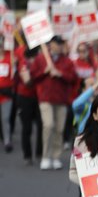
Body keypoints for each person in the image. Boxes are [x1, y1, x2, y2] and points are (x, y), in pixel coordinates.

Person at [30, 35, 77, 170]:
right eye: (57, 43)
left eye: (61, 43)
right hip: (45, 98)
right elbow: (33, 76)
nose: (60, 46)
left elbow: (73, 78)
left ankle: (56, 157)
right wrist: (44, 72)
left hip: (61, 99)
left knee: (59, 129)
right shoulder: (41, 59)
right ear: (51, 45)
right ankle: (45, 156)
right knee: (48, 125)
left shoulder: (67, 61)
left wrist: (60, 74)